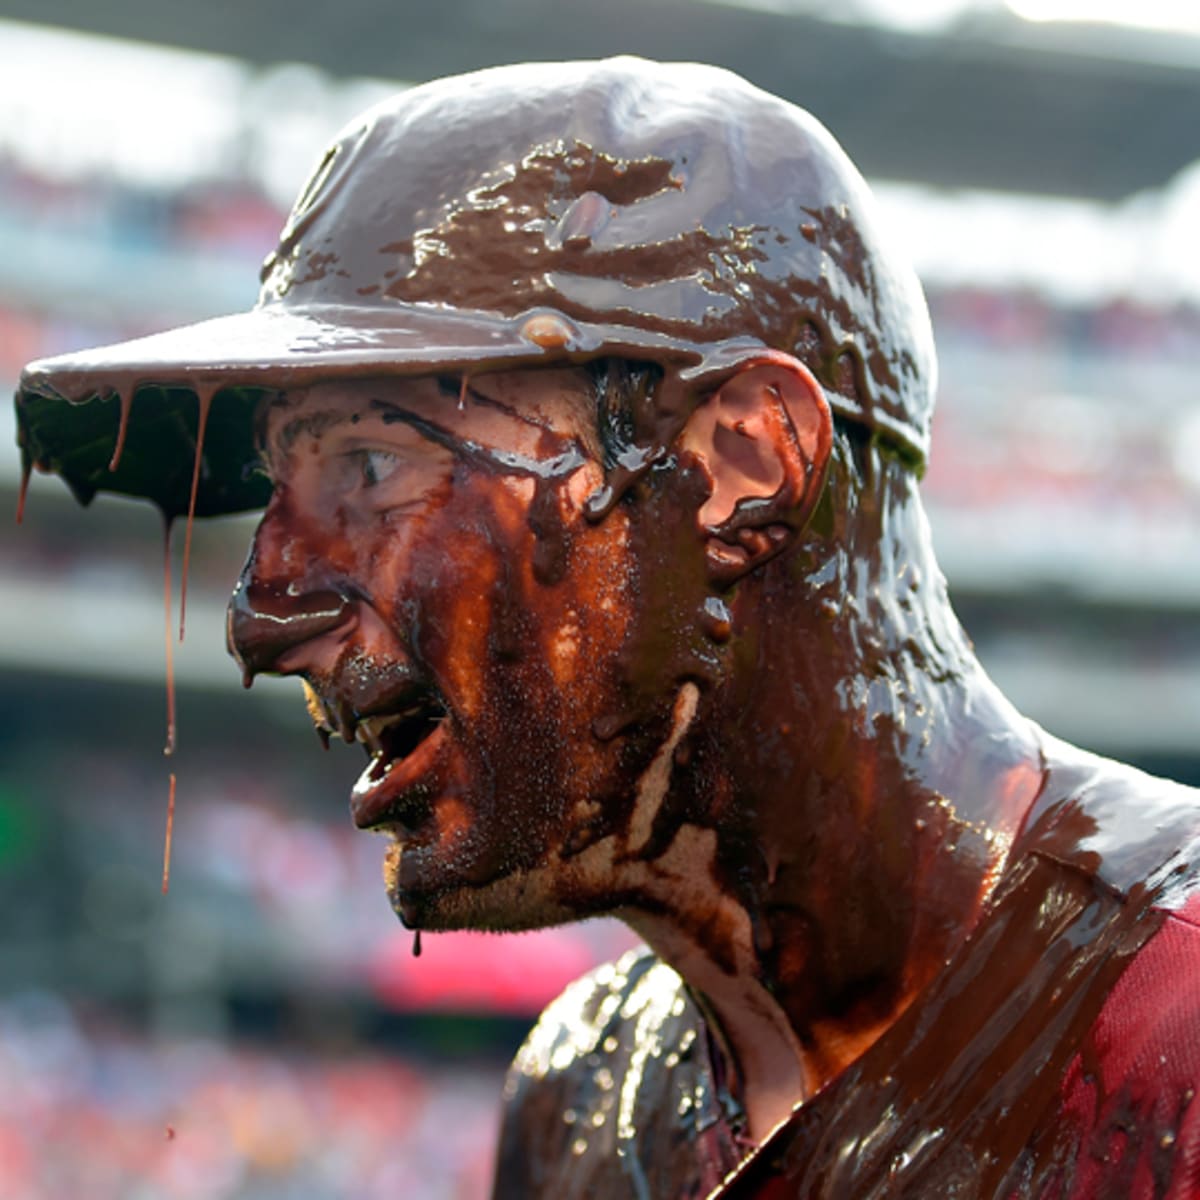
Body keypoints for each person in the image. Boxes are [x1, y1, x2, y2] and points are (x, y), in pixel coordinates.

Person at [15, 57, 1200, 1199]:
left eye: (370, 466)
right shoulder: (577, 1100)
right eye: (280, 496)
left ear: (744, 462)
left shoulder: (1178, 1002)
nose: (262, 618)